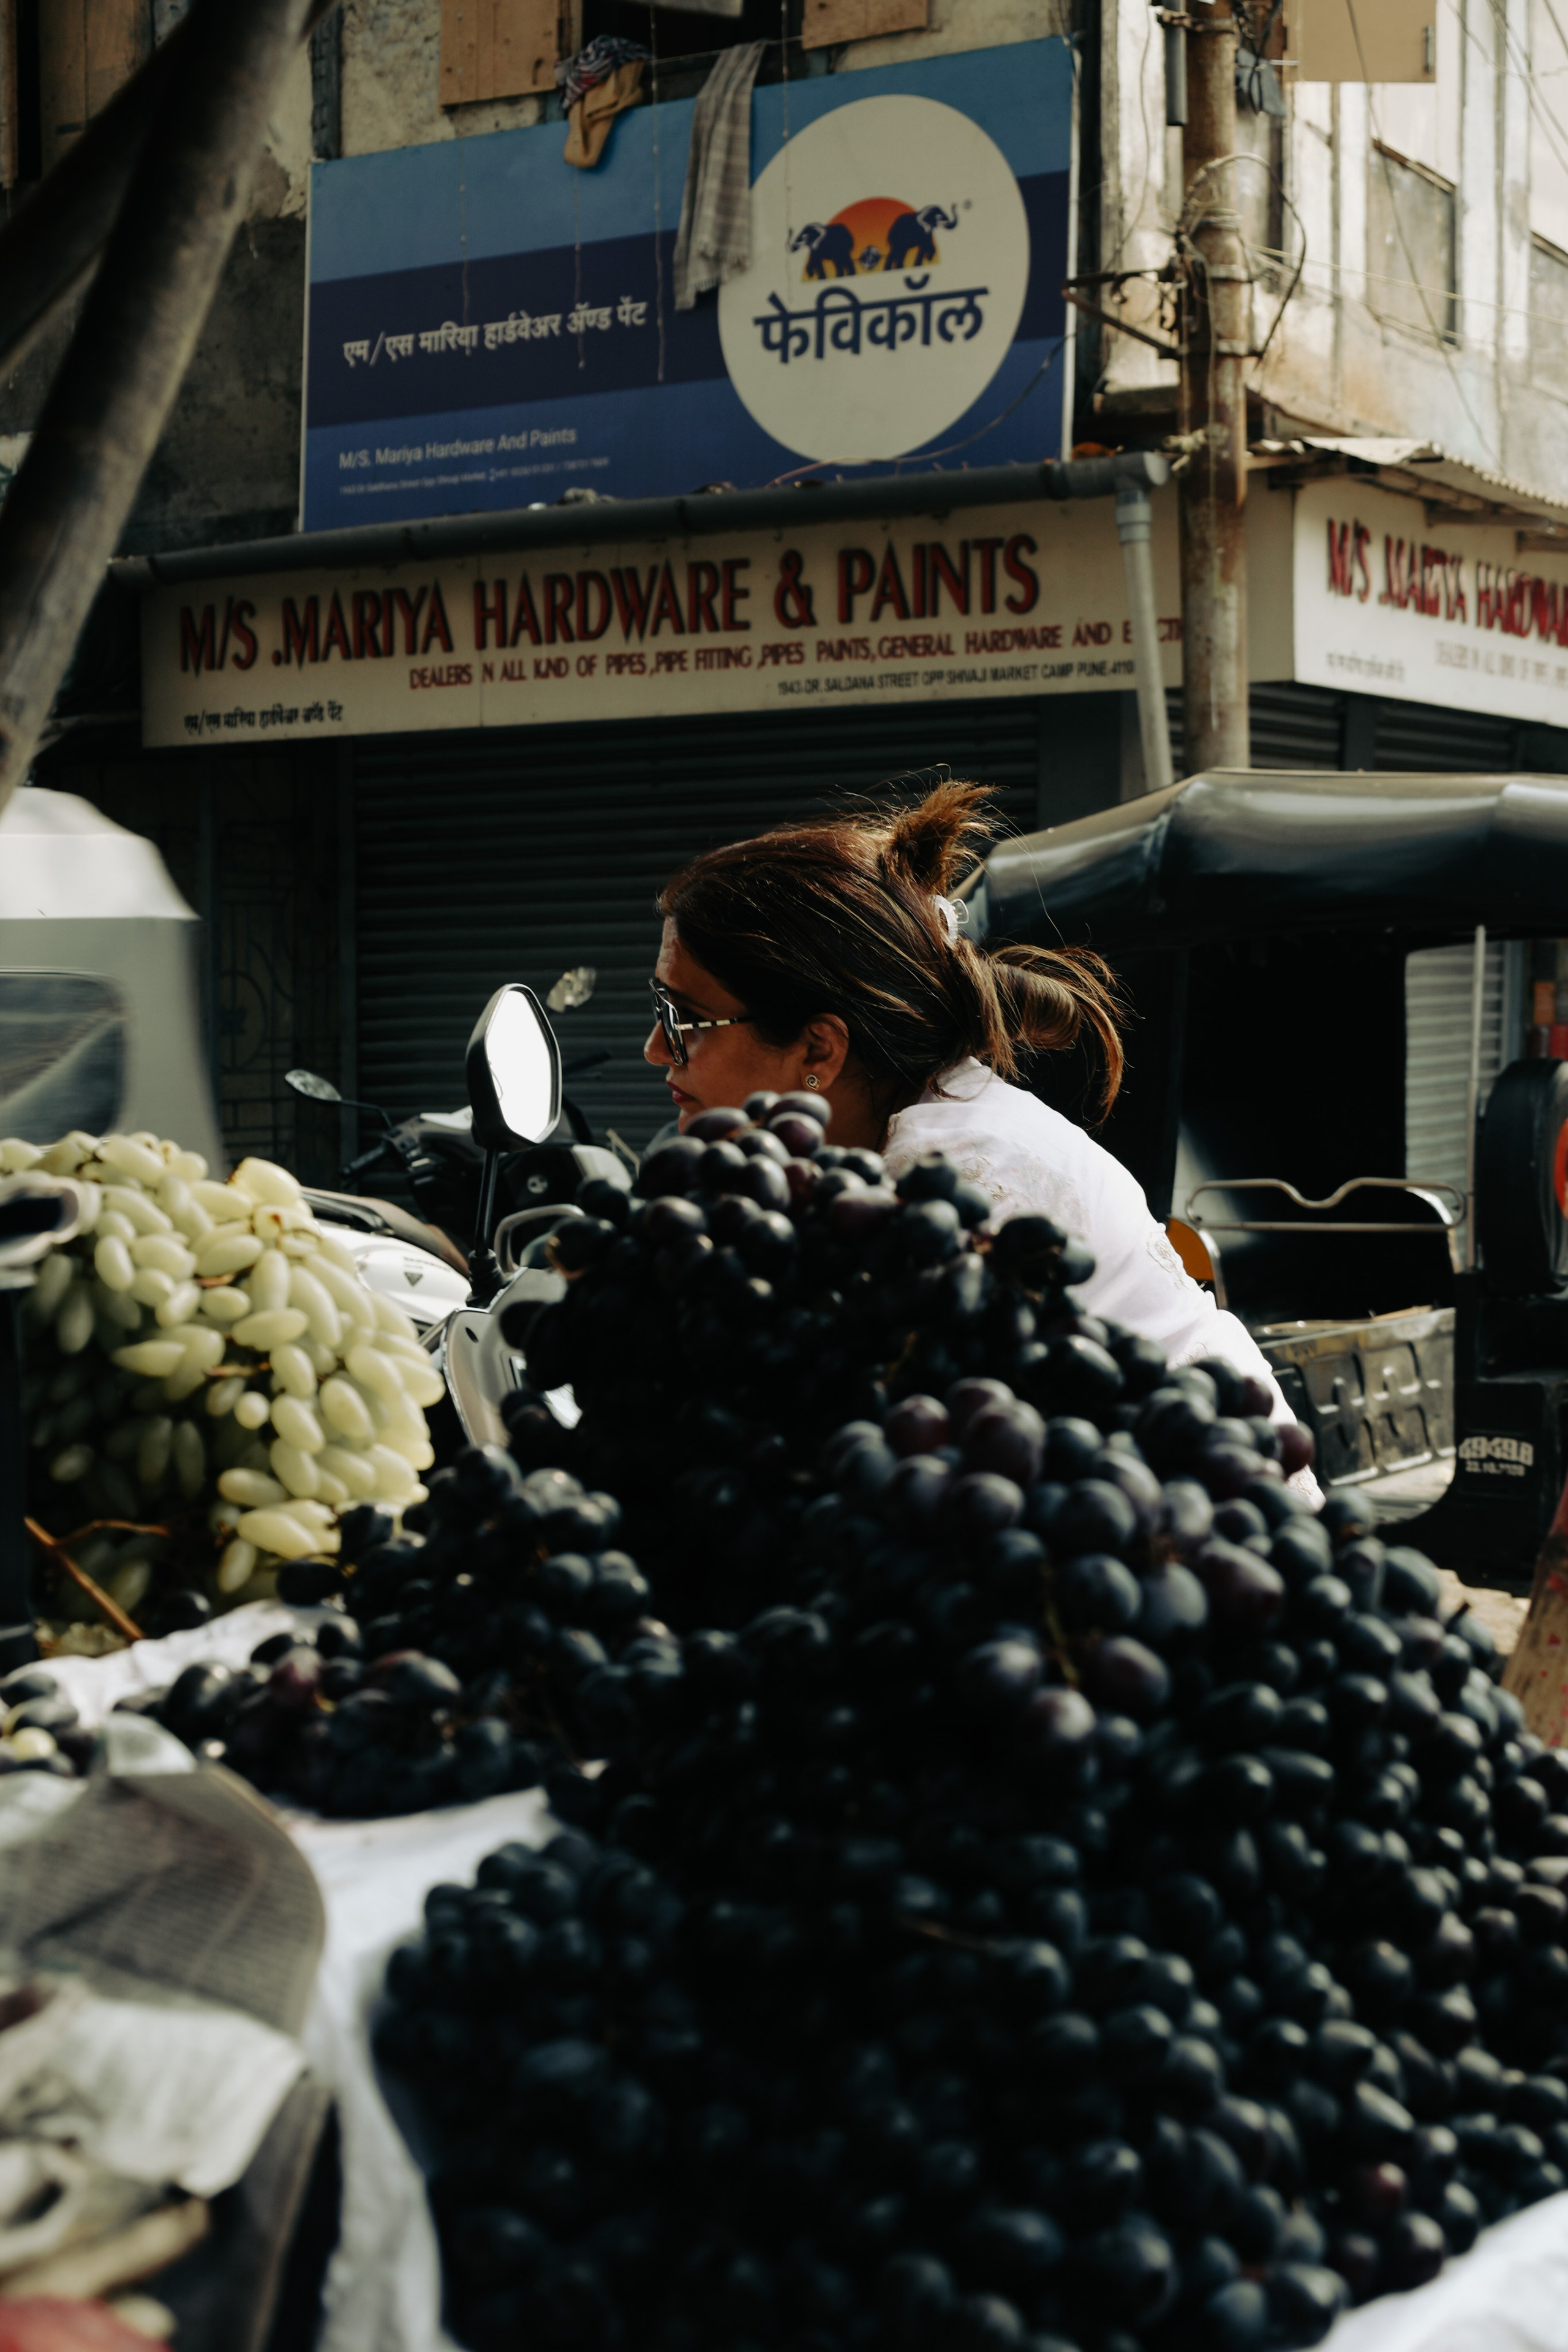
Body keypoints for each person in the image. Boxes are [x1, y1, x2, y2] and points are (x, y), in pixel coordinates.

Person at [643, 778, 1312, 1465]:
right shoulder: (908, 1131)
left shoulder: (953, 1174)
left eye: (682, 1018)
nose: (654, 1049)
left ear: (818, 1047)